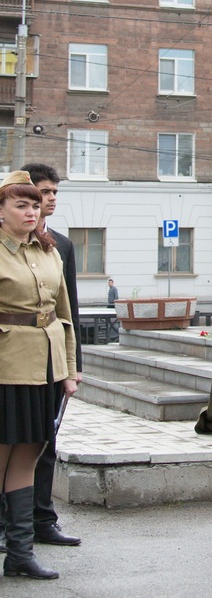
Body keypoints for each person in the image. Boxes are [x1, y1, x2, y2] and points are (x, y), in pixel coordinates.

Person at [0, 170, 78, 580]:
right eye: (21, 204)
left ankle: (20, 553)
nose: (32, 211)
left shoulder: (50, 251)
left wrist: (70, 370)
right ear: (1, 211)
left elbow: (63, 314)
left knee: (30, 453)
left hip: (44, 367)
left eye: (35, 204)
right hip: (5, 366)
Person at [20, 163, 82, 548]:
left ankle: (42, 520)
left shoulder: (62, 244)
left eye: (54, 192)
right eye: (45, 192)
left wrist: (74, 366)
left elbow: (69, 310)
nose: (51, 199)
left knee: (46, 442)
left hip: (53, 358)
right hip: (14, 356)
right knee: (13, 443)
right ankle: (13, 522)